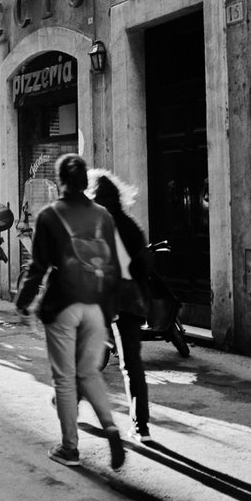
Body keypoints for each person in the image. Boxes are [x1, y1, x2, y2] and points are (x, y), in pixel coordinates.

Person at [14, 153, 126, 470]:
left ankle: (69, 448)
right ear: (85, 181)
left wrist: (23, 302)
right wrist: (110, 309)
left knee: (65, 380)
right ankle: (112, 430)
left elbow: (37, 267)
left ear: (61, 181)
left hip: (63, 305)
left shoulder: (50, 216)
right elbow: (114, 266)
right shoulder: (103, 216)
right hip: (95, 307)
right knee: (88, 373)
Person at [91, 168, 154, 441]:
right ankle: (142, 428)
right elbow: (143, 266)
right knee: (132, 365)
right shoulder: (130, 225)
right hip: (129, 300)